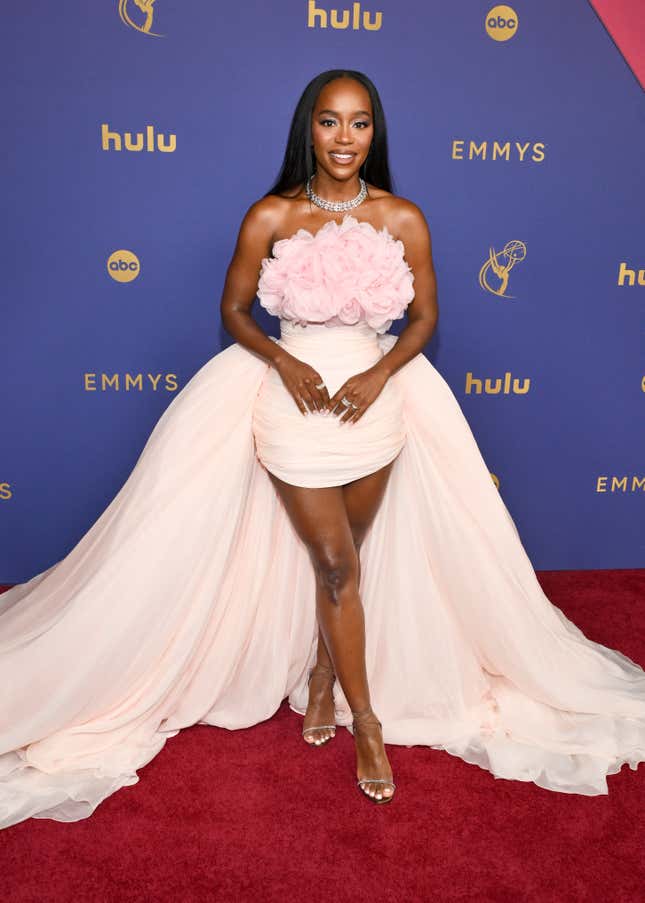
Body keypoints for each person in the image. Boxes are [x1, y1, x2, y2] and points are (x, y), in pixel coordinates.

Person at [1, 69, 644, 828]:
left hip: (374, 404)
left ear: (375, 133)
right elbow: (235, 311)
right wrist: (284, 359)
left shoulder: (402, 217)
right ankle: (366, 727)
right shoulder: (269, 215)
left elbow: (424, 318)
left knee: (350, 555)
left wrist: (377, 373)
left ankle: (317, 673)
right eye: (331, 122)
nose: (345, 137)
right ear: (308, 127)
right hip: (291, 403)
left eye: (360, 123)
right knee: (337, 565)